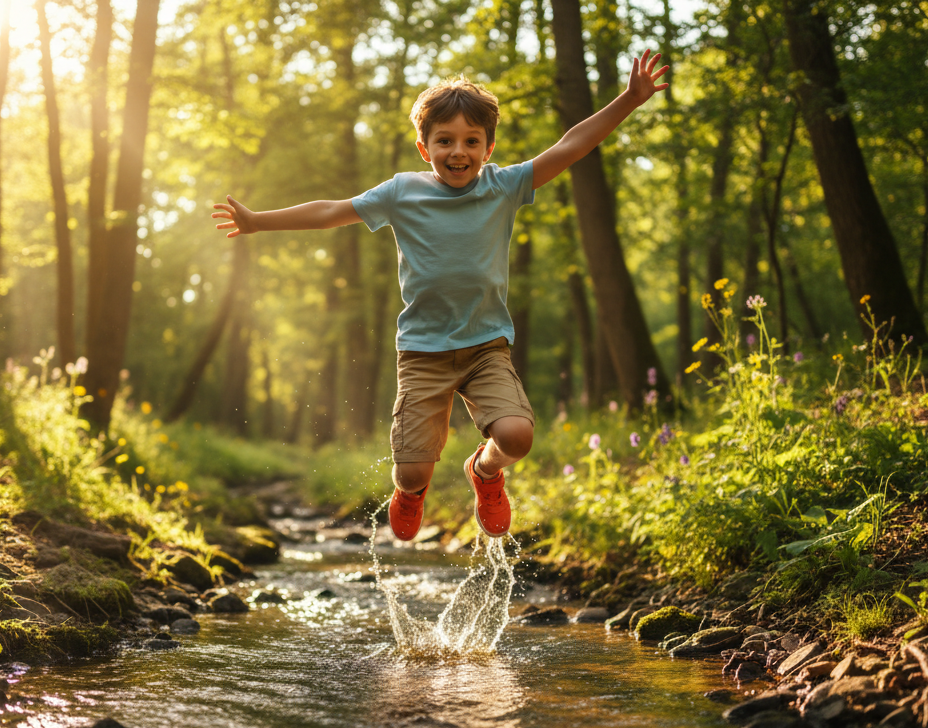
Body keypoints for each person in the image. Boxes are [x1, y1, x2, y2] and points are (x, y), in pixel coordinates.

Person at [213, 49, 669, 541]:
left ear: (489, 148)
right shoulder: (400, 192)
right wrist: (260, 221)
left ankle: (486, 472)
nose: (459, 151)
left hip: (485, 348)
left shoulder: (505, 186)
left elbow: (570, 146)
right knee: (413, 472)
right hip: (422, 353)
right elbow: (330, 211)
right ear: (424, 147)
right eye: (445, 140)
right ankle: (410, 493)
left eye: (472, 141)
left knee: (516, 435)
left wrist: (629, 99)